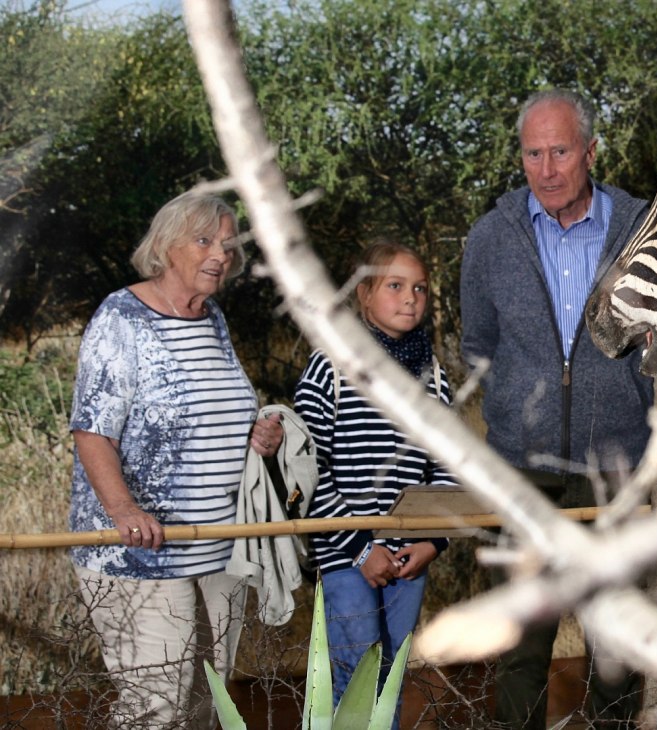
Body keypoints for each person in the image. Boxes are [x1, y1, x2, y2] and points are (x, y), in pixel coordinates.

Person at [460, 88, 653, 729]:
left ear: (591, 151)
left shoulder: (644, 230)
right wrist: (517, 415)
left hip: (614, 473)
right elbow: (479, 348)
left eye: (561, 151)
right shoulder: (490, 239)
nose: (546, 168)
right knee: (519, 649)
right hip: (521, 474)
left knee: (618, 647)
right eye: (533, 153)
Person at [69, 192, 284, 729]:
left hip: (217, 549)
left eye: (229, 244)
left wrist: (257, 436)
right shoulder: (123, 317)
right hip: (142, 553)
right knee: (155, 709)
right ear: (166, 247)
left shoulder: (212, 317)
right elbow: (92, 431)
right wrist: (124, 511)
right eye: (205, 240)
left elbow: (217, 412)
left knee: (207, 706)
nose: (221, 254)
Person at [294, 240, 455, 728]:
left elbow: (446, 469)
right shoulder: (330, 368)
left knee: (391, 679)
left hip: (409, 558)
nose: (411, 298)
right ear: (364, 294)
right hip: (346, 555)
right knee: (352, 673)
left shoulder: (433, 379)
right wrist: (362, 550)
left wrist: (433, 541)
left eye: (420, 289)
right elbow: (307, 473)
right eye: (395, 286)